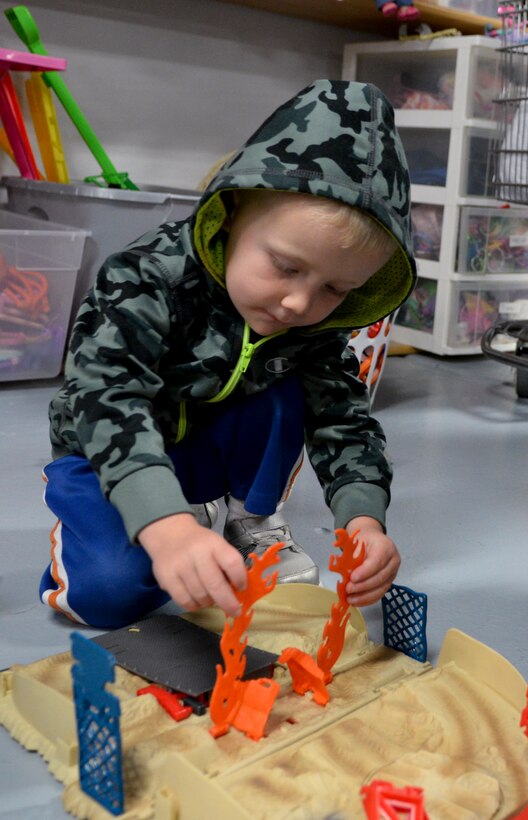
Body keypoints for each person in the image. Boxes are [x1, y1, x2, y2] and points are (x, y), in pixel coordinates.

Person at [40, 79, 417, 630]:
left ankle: (250, 519)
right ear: (232, 213)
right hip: (108, 456)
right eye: (286, 267)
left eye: (336, 289)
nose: (299, 302)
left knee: (293, 391)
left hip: (207, 447)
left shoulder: (314, 322)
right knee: (109, 597)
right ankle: (171, 509)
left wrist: (364, 521)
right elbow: (108, 399)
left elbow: (345, 418)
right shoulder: (146, 277)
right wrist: (165, 526)